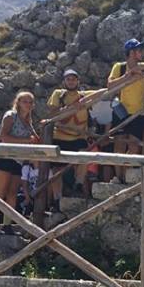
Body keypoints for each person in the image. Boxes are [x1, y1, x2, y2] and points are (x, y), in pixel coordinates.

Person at [0, 91, 40, 235]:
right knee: (0, 191)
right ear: (18, 102)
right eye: (25, 101)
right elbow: (3, 136)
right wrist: (26, 141)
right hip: (4, 156)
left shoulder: (28, 121)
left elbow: (35, 139)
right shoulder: (10, 116)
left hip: (18, 160)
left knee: (12, 192)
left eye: (30, 102)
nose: (28, 105)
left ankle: (7, 224)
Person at [44, 68, 92, 218]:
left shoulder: (84, 95)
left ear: (78, 81)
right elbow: (52, 113)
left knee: (83, 157)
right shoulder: (58, 94)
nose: (71, 82)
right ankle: (57, 199)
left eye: (74, 79)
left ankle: (78, 184)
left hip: (78, 137)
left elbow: (102, 92)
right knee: (57, 170)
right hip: (60, 136)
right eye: (68, 79)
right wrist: (70, 108)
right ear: (64, 81)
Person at [106, 38, 144, 182]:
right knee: (119, 143)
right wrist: (128, 75)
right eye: (139, 50)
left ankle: (128, 177)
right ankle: (119, 177)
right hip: (121, 110)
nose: (142, 53)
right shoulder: (119, 67)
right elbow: (110, 85)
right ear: (131, 52)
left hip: (138, 112)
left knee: (134, 145)